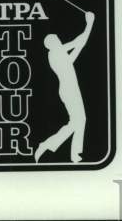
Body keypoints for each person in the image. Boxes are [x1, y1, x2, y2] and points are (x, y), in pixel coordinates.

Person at [35, 10, 94, 163]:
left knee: (79, 121)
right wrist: (90, 23)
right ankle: (52, 146)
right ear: (51, 44)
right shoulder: (55, 54)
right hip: (68, 91)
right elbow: (77, 42)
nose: (59, 40)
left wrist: (88, 27)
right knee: (79, 120)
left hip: (71, 90)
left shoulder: (61, 55)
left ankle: (74, 154)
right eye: (56, 39)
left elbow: (79, 45)